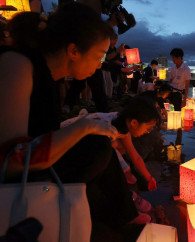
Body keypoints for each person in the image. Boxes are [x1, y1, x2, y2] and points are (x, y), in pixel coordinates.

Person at [0, 3, 149, 240]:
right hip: (14, 181)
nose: (101, 64)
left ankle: (121, 214)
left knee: (99, 147)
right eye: (99, 55)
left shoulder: (49, 77)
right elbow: (10, 161)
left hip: (34, 163)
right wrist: (84, 126)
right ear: (73, 51)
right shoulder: (17, 66)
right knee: (96, 147)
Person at [111, 96, 159, 191]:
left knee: (122, 146)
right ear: (134, 123)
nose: (147, 132)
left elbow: (135, 157)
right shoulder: (110, 132)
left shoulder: (123, 126)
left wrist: (149, 177)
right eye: (147, 128)